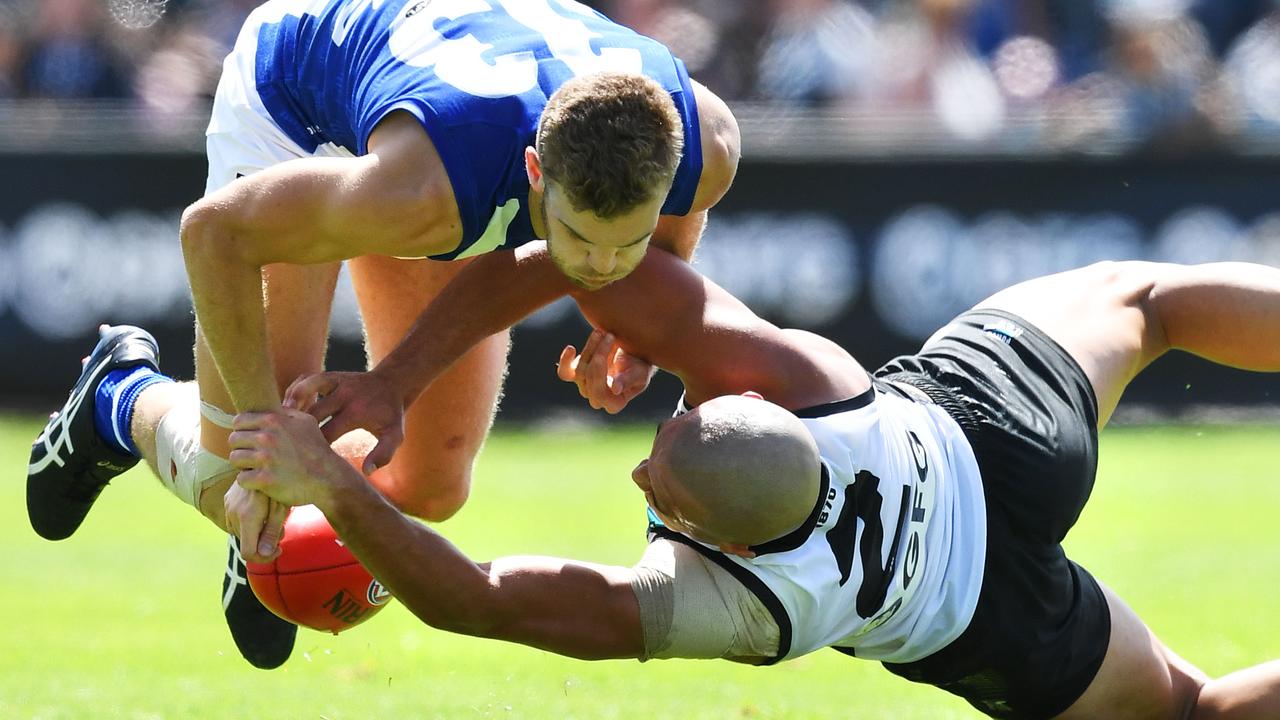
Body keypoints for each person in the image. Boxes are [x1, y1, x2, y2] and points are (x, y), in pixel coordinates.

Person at [226, 250, 1280, 719]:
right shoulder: (807, 381)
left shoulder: (750, 608)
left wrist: (335, 484)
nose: (643, 452)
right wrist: (398, 383)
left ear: (702, 536)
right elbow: (576, 258)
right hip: (992, 435)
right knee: (1145, 298)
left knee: (1189, 718)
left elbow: (474, 600)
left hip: (987, 621)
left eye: (657, 471)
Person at [25, 0, 739, 669]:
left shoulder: (702, 141)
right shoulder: (425, 192)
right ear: (534, 174)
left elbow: (601, 240)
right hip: (301, 94)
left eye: (629, 244)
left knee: (427, 489)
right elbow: (213, 233)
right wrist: (266, 436)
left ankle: (268, 494)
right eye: (581, 239)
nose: (603, 269)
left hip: (436, 104)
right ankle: (120, 394)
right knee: (233, 477)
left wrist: (629, 324)